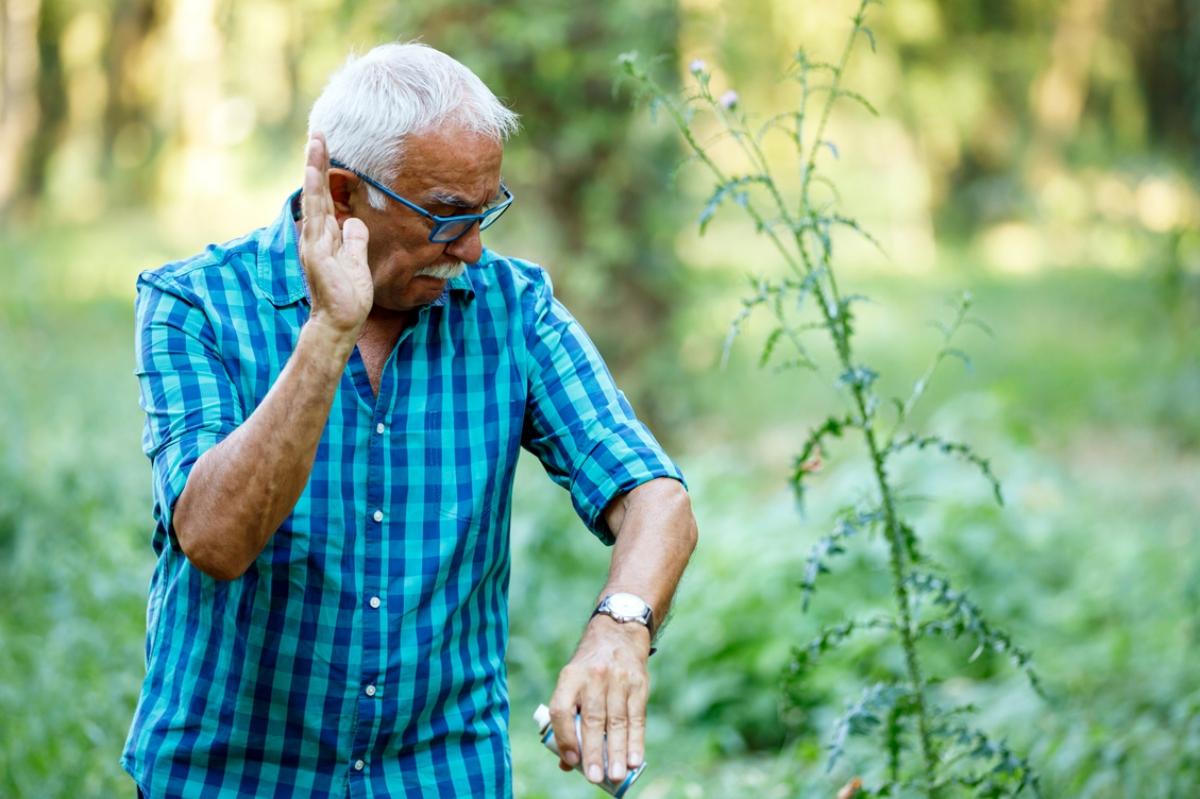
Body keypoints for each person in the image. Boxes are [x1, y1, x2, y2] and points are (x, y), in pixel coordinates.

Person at [122, 42, 698, 798]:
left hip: (440, 775)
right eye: (447, 216)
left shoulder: (510, 307)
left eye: (488, 210)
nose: (473, 246)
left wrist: (620, 629)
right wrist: (328, 333)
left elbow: (655, 494)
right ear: (339, 194)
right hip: (235, 776)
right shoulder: (193, 304)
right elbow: (216, 539)